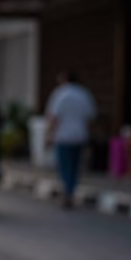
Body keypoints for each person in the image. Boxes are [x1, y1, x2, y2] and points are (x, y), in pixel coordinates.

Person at [45, 70, 96, 208]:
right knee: (74, 166)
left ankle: (67, 192)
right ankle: (70, 191)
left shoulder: (60, 94)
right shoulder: (84, 94)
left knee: (64, 166)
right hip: (79, 136)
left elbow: (53, 117)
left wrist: (49, 135)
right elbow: (90, 117)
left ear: (65, 79)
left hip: (63, 136)